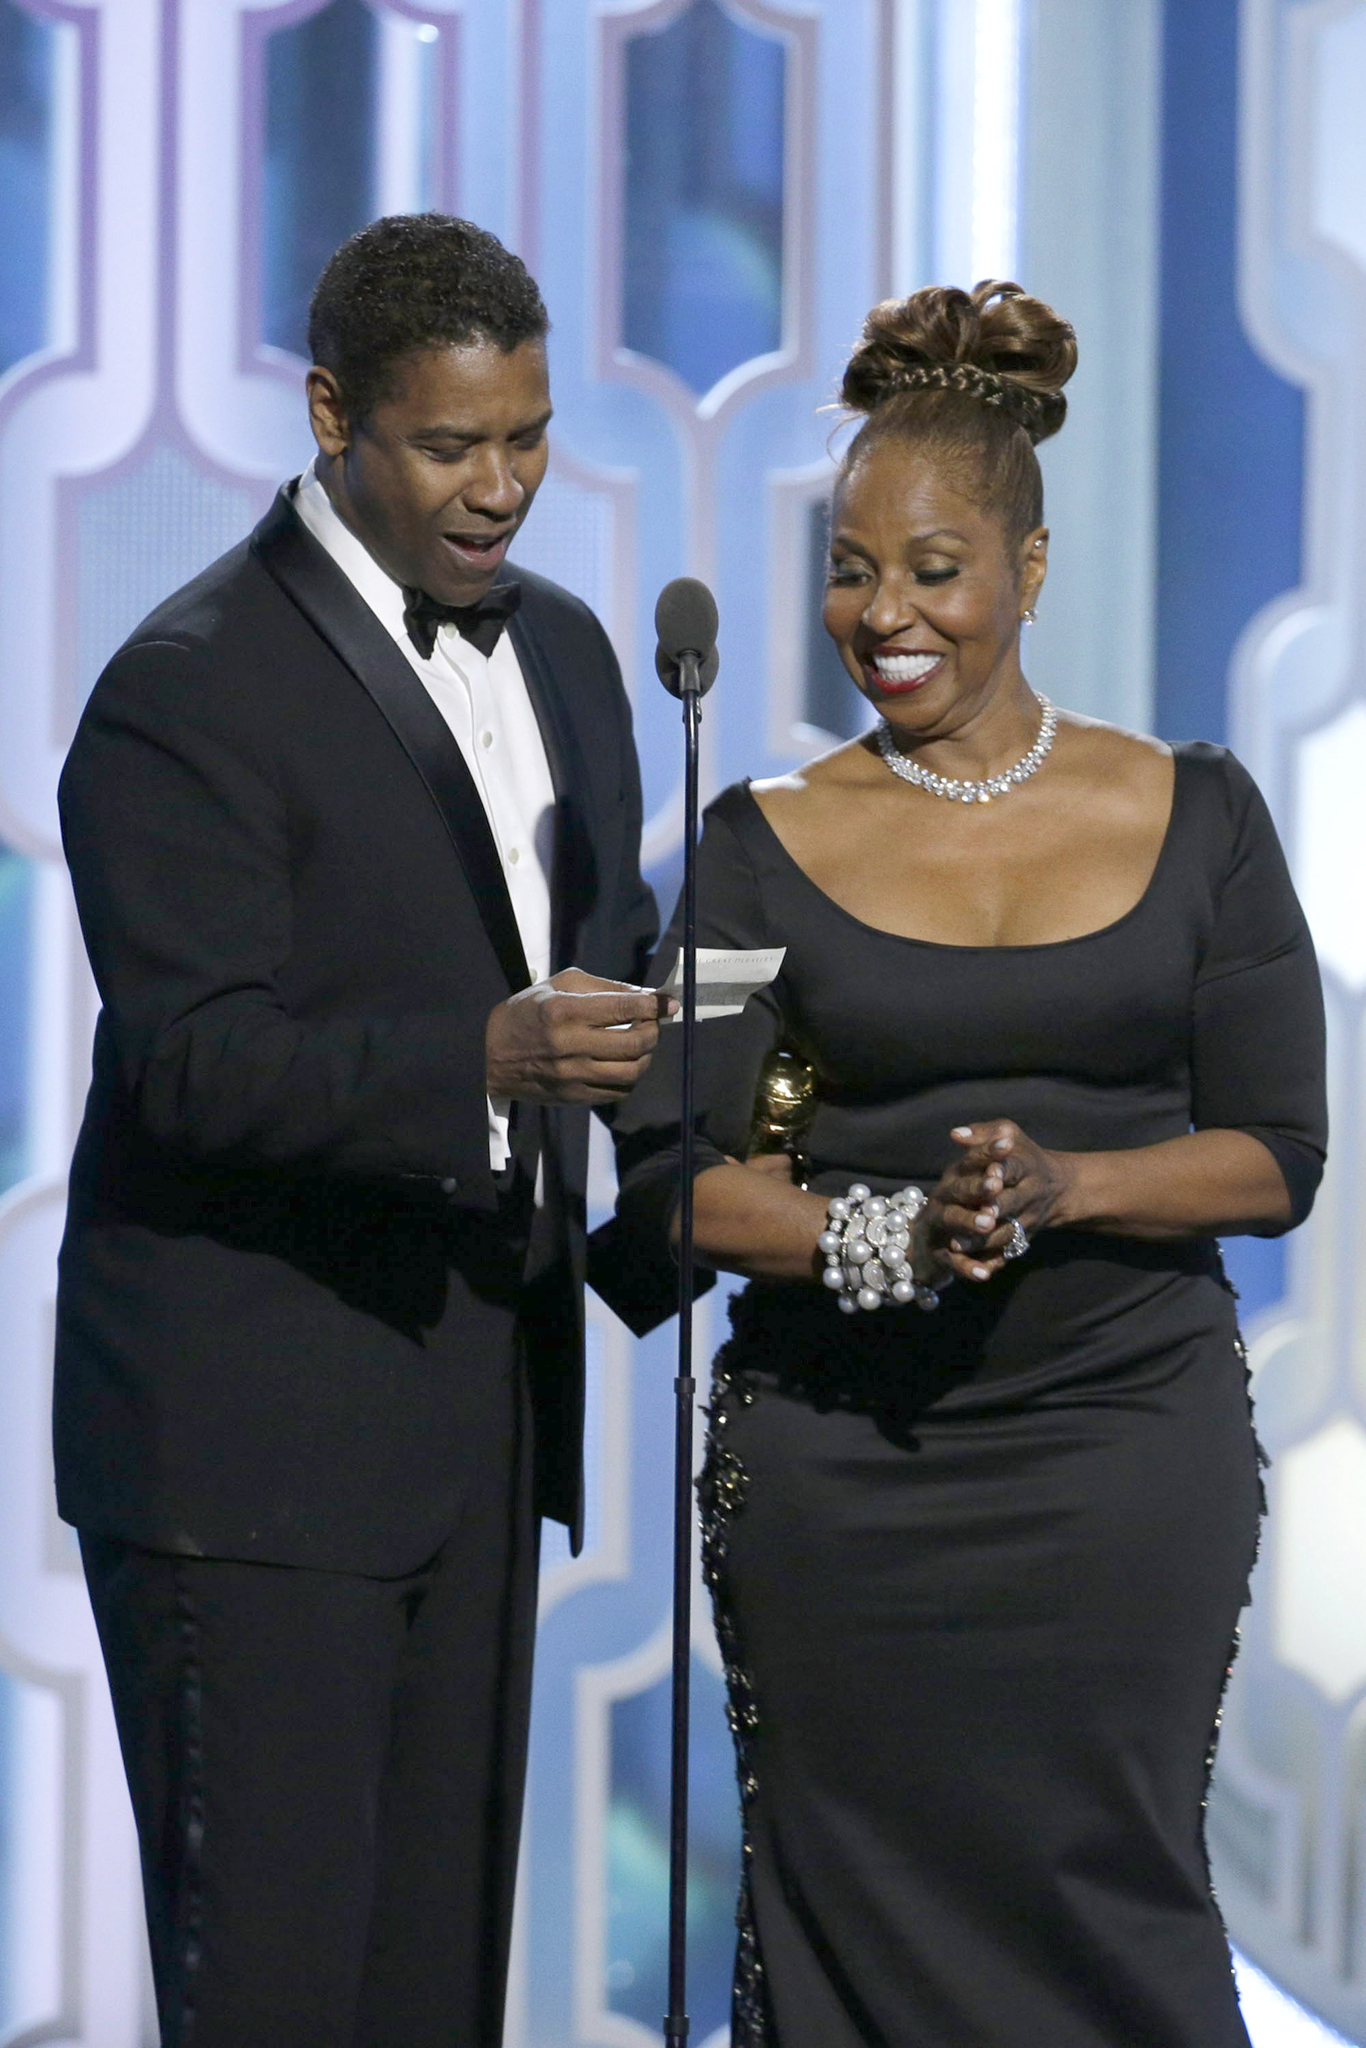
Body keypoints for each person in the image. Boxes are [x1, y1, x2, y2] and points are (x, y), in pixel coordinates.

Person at [611, 280, 1328, 2046]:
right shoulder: (757, 846)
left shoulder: (1201, 814)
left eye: (930, 569)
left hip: (1114, 1464)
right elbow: (673, 1176)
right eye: (849, 569)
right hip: (844, 1480)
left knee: (1109, 1906)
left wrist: (1071, 1187)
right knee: (857, 1918)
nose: (882, 614)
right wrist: (879, 1237)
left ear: (1027, 568)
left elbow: (1275, 1155)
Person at [56, 213, 664, 2048]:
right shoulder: (189, 686)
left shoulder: (563, 652)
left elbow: (603, 956)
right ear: (332, 417)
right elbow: (193, 1062)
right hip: (252, 1464)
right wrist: (477, 1059)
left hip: (474, 1420)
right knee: (279, 1995)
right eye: (451, 445)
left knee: (429, 1993)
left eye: (530, 436)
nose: (503, 488)